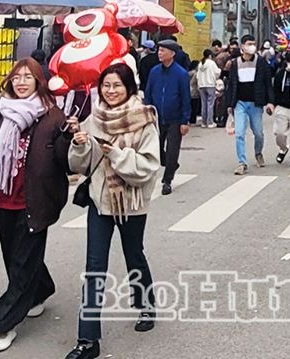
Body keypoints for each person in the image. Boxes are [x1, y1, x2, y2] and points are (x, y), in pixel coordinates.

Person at [65, 64, 161, 359]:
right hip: (100, 200)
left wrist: (115, 153)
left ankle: (146, 304)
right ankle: (87, 340)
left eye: (117, 85)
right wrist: (79, 144)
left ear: (129, 87)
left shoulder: (144, 118)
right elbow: (79, 165)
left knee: (134, 254)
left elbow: (148, 166)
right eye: (106, 85)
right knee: (94, 267)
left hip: (132, 202)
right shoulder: (93, 119)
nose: (111, 91)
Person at [0, 58, 70, 354]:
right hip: (2, 198)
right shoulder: (2, 112)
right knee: (14, 258)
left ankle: (2, 323)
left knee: (21, 263)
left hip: (34, 200)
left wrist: (72, 137)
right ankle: (41, 290)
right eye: (17, 77)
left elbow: (65, 161)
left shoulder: (53, 116)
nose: (21, 82)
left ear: (39, 81)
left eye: (28, 77)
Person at [143, 40, 190, 196]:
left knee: (172, 150)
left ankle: (167, 180)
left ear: (172, 53)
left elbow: (185, 98)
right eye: (159, 50)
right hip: (156, 117)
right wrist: (148, 110)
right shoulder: (154, 72)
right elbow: (148, 93)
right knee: (155, 148)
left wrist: (185, 120)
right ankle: (171, 164)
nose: (159, 53)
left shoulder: (181, 74)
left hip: (175, 118)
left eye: (163, 50)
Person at [224, 35, 274, 175]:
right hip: (239, 103)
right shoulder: (235, 63)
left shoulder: (261, 62)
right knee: (239, 133)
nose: (252, 46)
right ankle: (242, 162)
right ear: (243, 46)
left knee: (258, 133)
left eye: (254, 43)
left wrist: (270, 102)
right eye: (249, 44)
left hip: (256, 103)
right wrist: (229, 104)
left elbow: (268, 83)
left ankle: (258, 153)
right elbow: (231, 84)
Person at [196, 49, 221, 128]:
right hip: (210, 85)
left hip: (201, 85)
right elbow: (217, 72)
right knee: (210, 104)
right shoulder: (212, 63)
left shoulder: (200, 64)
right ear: (210, 55)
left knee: (203, 104)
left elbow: (197, 76)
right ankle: (210, 122)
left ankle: (203, 122)